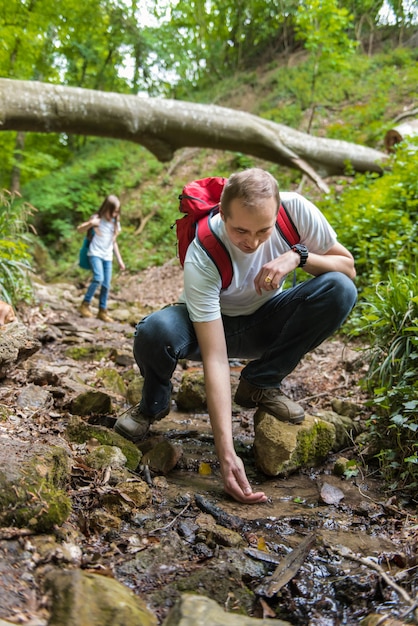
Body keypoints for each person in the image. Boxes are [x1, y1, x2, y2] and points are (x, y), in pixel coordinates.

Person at [114, 168, 357, 504]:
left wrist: (297, 256)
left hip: (266, 320)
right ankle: (151, 406)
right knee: (154, 331)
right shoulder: (205, 250)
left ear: (276, 212)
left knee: (340, 290)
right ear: (222, 214)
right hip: (207, 328)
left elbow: (347, 267)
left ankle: (260, 382)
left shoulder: (296, 210)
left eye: (263, 230)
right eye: (240, 229)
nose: (253, 241)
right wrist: (226, 454)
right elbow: (215, 358)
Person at [77, 194, 125, 322]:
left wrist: (120, 260)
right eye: (113, 211)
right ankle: (85, 304)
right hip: (95, 254)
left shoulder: (115, 223)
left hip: (107, 256)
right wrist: (90, 224)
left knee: (106, 284)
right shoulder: (96, 219)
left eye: (117, 211)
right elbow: (79, 230)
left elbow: (113, 242)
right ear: (106, 209)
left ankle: (102, 311)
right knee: (98, 278)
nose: (115, 214)